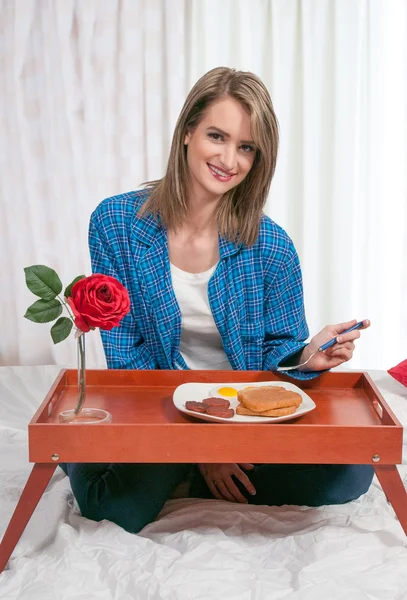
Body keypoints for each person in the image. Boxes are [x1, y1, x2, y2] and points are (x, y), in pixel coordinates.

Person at [62, 67, 372, 533]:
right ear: (187, 133)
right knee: (112, 508)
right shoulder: (116, 222)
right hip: (160, 407)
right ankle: (151, 464)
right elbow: (127, 352)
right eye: (217, 136)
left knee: (351, 473)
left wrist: (309, 355)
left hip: (244, 414)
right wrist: (202, 444)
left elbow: (275, 353)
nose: (230, 158)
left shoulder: (272, 245)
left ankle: (188, 479)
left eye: (246, 147)